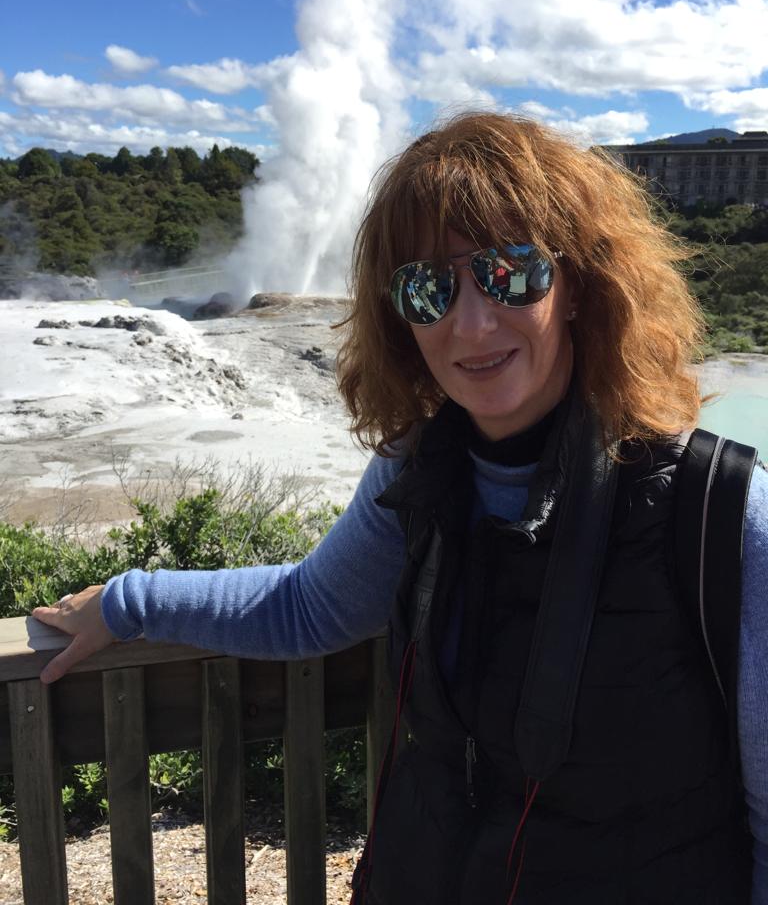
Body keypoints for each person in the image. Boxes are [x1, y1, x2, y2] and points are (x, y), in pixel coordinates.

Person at [34, 113, 768, 905]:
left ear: (583, 284)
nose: (472, 321)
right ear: (399, 317)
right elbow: (310, 607)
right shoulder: (420, 471)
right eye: (429, 287)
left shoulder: (719, 515)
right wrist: (126, 602)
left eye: (510, 272)